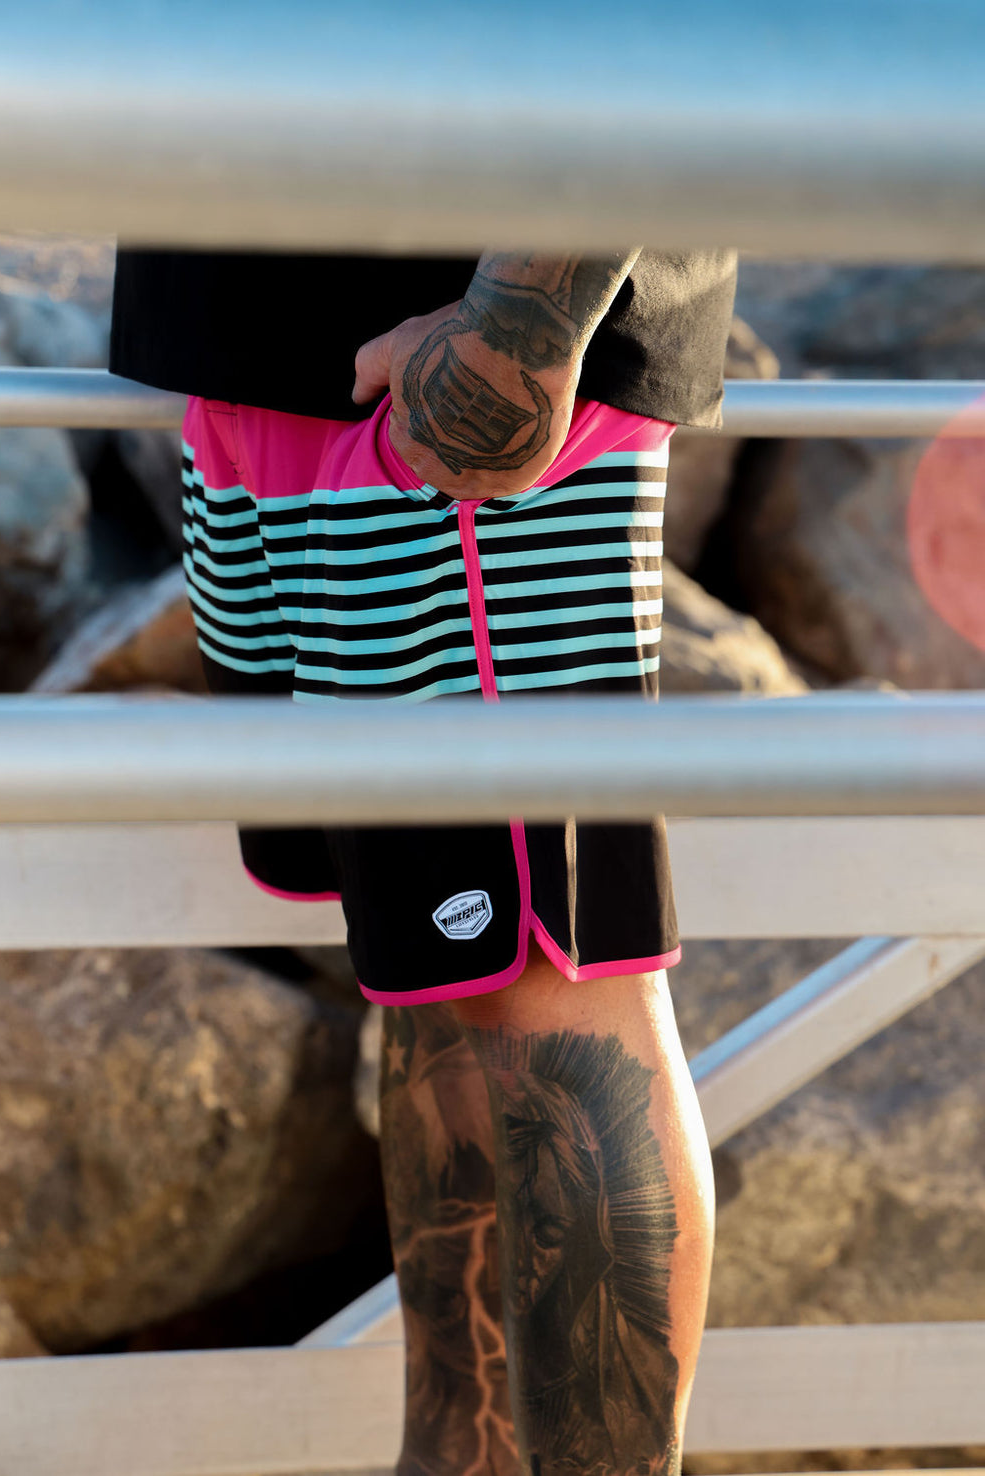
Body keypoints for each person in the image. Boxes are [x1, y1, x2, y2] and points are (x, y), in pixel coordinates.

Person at [110, 245, 736, 1476]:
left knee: (554, 988)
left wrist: (515, 333)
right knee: (437, 972)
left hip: (472, 370)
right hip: (283, 364)